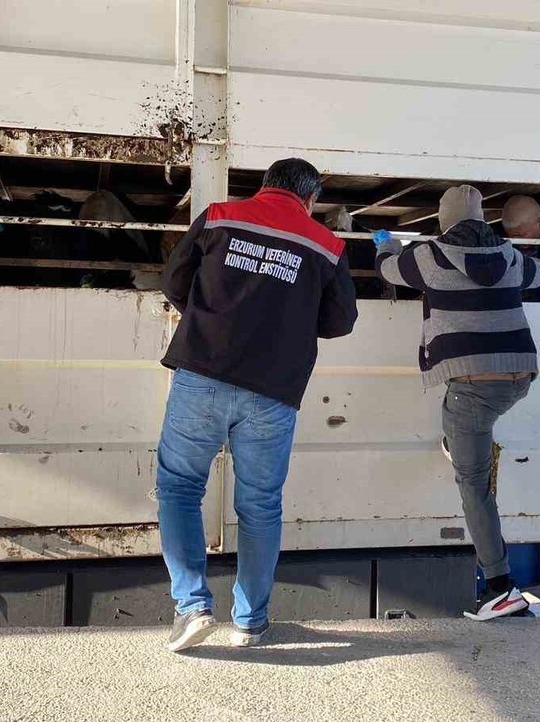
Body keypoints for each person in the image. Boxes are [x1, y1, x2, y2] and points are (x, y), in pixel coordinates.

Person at [156, 158, 358, 652]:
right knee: (260, 506)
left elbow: (173, 281)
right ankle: (250, 622)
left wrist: (210, 318)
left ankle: (192, 607)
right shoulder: (326, 246)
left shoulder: (221, 216)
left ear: (265, 186)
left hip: (203, 373)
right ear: (309, 200)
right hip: (273, 391)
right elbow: (340, 321)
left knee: (180, 487)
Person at [373, 185, 540, 620]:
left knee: (473, 487)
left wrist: (386, 244)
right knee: (468, 420)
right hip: (519, 374)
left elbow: (390, 270)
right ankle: (463, 442)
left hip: (472, 385)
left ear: (443, 220)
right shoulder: (509, 256)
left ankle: (499, 586)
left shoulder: (430, 257)